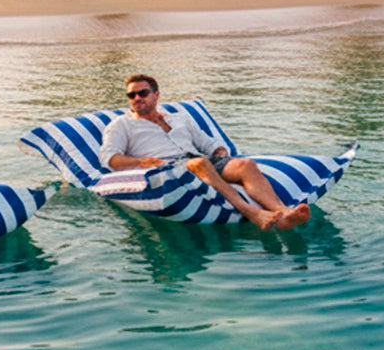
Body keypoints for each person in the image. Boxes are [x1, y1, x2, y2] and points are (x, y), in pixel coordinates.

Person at [97, 74, 312, 232]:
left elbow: (207, 142)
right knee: (201, 163)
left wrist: (219, 150)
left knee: (245, 165)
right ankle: (252, 212)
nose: (136, 98)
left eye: (142, 93)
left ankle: (283, 213)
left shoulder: (178, 118)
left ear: (156, 95)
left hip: (202, 160)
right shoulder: (121, 125)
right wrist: (143, 161)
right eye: (131, 95)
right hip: (169, 168)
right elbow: (110, 158)